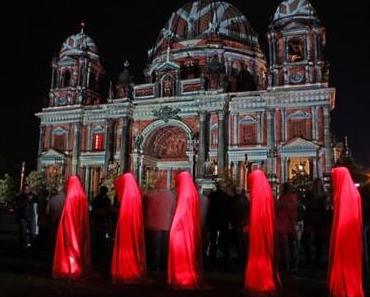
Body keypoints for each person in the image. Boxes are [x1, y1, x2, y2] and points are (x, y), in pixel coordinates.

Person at [328, 167, 364, 297]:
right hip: (351, 238)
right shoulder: (353, 193)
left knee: (346, 266)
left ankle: (344, 288)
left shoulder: (345, 195)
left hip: (345, 238)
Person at [244, 170, 280, 294]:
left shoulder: (257, 195)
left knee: (258, 253)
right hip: (267, 232)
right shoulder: (268, 193)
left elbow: (254, 216)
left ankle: (258, 280)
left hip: (258, 232)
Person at [52, 176, 91, 279]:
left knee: (72, 247)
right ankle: (79, 266)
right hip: (81, 228)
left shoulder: (71, 197)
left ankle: (71, 267)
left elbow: (68, 215)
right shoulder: (82, 196)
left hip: (72, 227)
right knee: (81, 246)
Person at [168, 171, 202, 289]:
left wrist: (173, 230)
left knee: (181, 256)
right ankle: (186, 275)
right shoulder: (192, 194)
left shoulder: (184, 194)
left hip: (180, 232)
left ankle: (181, 277)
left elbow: (180, 214)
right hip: (189, 231)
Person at [111, 173, 146, 283]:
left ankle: (125, 270)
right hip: (134, 226)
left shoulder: (127, 195)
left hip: (126, 225)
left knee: (126, 247)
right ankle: (132, 268)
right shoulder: (136, 194)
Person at [302, 178, 328, 265]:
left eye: (319, 184)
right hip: (310, 219)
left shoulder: (324, 195)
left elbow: (326, 206)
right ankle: (309, 257)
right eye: (316, 184)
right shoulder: (309, 194)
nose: (317, 186)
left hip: (319, 219)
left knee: (318, 240)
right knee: (305, 240)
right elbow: (305, 203)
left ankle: (317, 258)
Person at [276, 183, 298, 273]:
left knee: (288, 246)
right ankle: (286, 264)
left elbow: (291, 211)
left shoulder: (289, 198)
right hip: (283, 224)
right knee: (285, 246)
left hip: (286, 224)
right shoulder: (284, 197)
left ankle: (289, 265)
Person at [91, 185, 111, 262]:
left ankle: (100, 255)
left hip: (102, 221)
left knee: (101, 238)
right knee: (98, 238)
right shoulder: (100, 199)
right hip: (99, 221)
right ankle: (98, 255)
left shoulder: (99, 199)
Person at [14, 185, 38, 251]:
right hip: (23, 217)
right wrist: (27, 200)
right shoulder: (21, 197)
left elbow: (37, 199)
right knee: (23, 233)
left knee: (32, 233)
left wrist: (34, 195)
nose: (27, 191)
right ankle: (22, 247)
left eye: (28, 189)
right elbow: (19, 206)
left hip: (31, 217)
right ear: (23, 190)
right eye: (26, 189)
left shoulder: (32, 196)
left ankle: (31, 246)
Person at [46, 183, 65, 253]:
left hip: (53, 220)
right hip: (62, 221)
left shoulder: (52, 199)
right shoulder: (66, 199)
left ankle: (52, 251)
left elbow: (47, 211)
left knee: (53, 237)